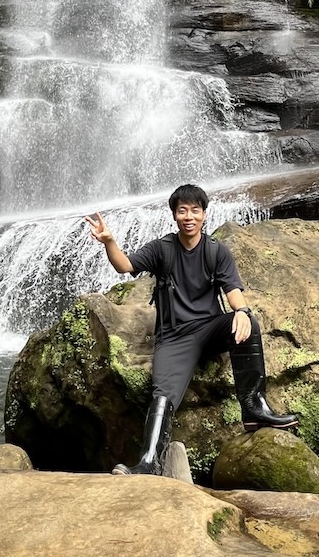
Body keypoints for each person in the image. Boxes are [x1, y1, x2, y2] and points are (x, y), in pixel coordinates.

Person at [85, 183, 297, 476]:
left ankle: (254, 407)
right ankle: (149, 461)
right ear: (174, 215)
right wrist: (109, 241)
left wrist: (243, 311)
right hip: (174, 337)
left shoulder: (215, 251)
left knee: (249, 324)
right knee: (162, 394)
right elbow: (125, 266)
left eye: (195, 210)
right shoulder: (163, 249)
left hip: (210, 328)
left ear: (204, 215)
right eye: (182, 210)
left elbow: (232, 290)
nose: (189, 216)